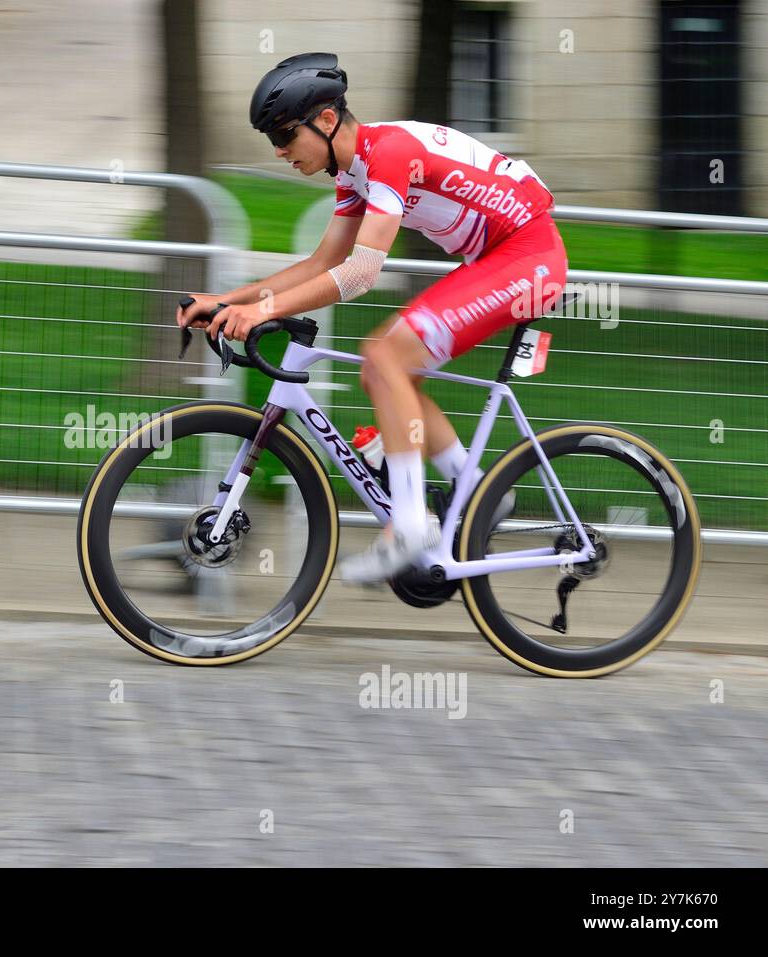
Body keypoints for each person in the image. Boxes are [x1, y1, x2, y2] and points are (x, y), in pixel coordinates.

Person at [177, 52, 567, 584]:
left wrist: (260, 311)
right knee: (381, 366)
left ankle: (409, 526)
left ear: (328, 120)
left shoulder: (388, 153)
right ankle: (476, 490)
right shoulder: (354, 173)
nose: (279, 151)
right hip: (503, 258)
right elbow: (322, 263)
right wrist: (229, 302)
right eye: (273, 140)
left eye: (287, 135)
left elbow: (361, 273)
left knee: (385, 355)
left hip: (528, 256)